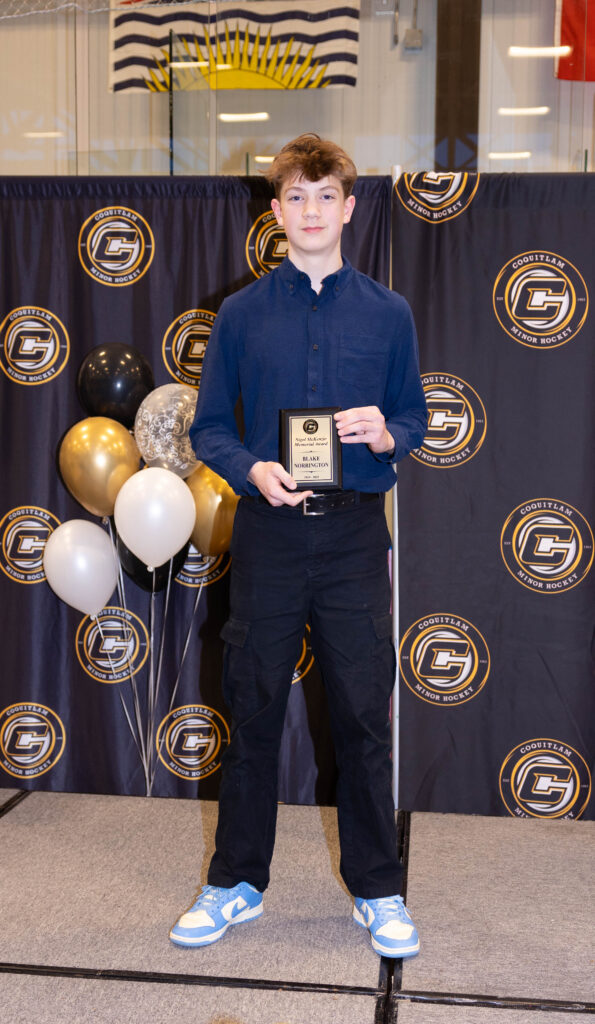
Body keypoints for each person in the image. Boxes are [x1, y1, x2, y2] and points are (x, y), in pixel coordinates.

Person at [171, 134, 427, 959]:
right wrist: (251, 470)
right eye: (296, 197)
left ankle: (377, 890)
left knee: (361, 717)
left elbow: (414, 417)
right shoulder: (241, 315)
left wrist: (386, 433)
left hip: (353, 538)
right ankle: (234, 883)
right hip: (270, 536)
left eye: (325, 197)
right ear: (276, 211)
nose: (311, 211)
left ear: (348, 208)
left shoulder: (388, 313)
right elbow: (210, 427)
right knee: (251, 713)